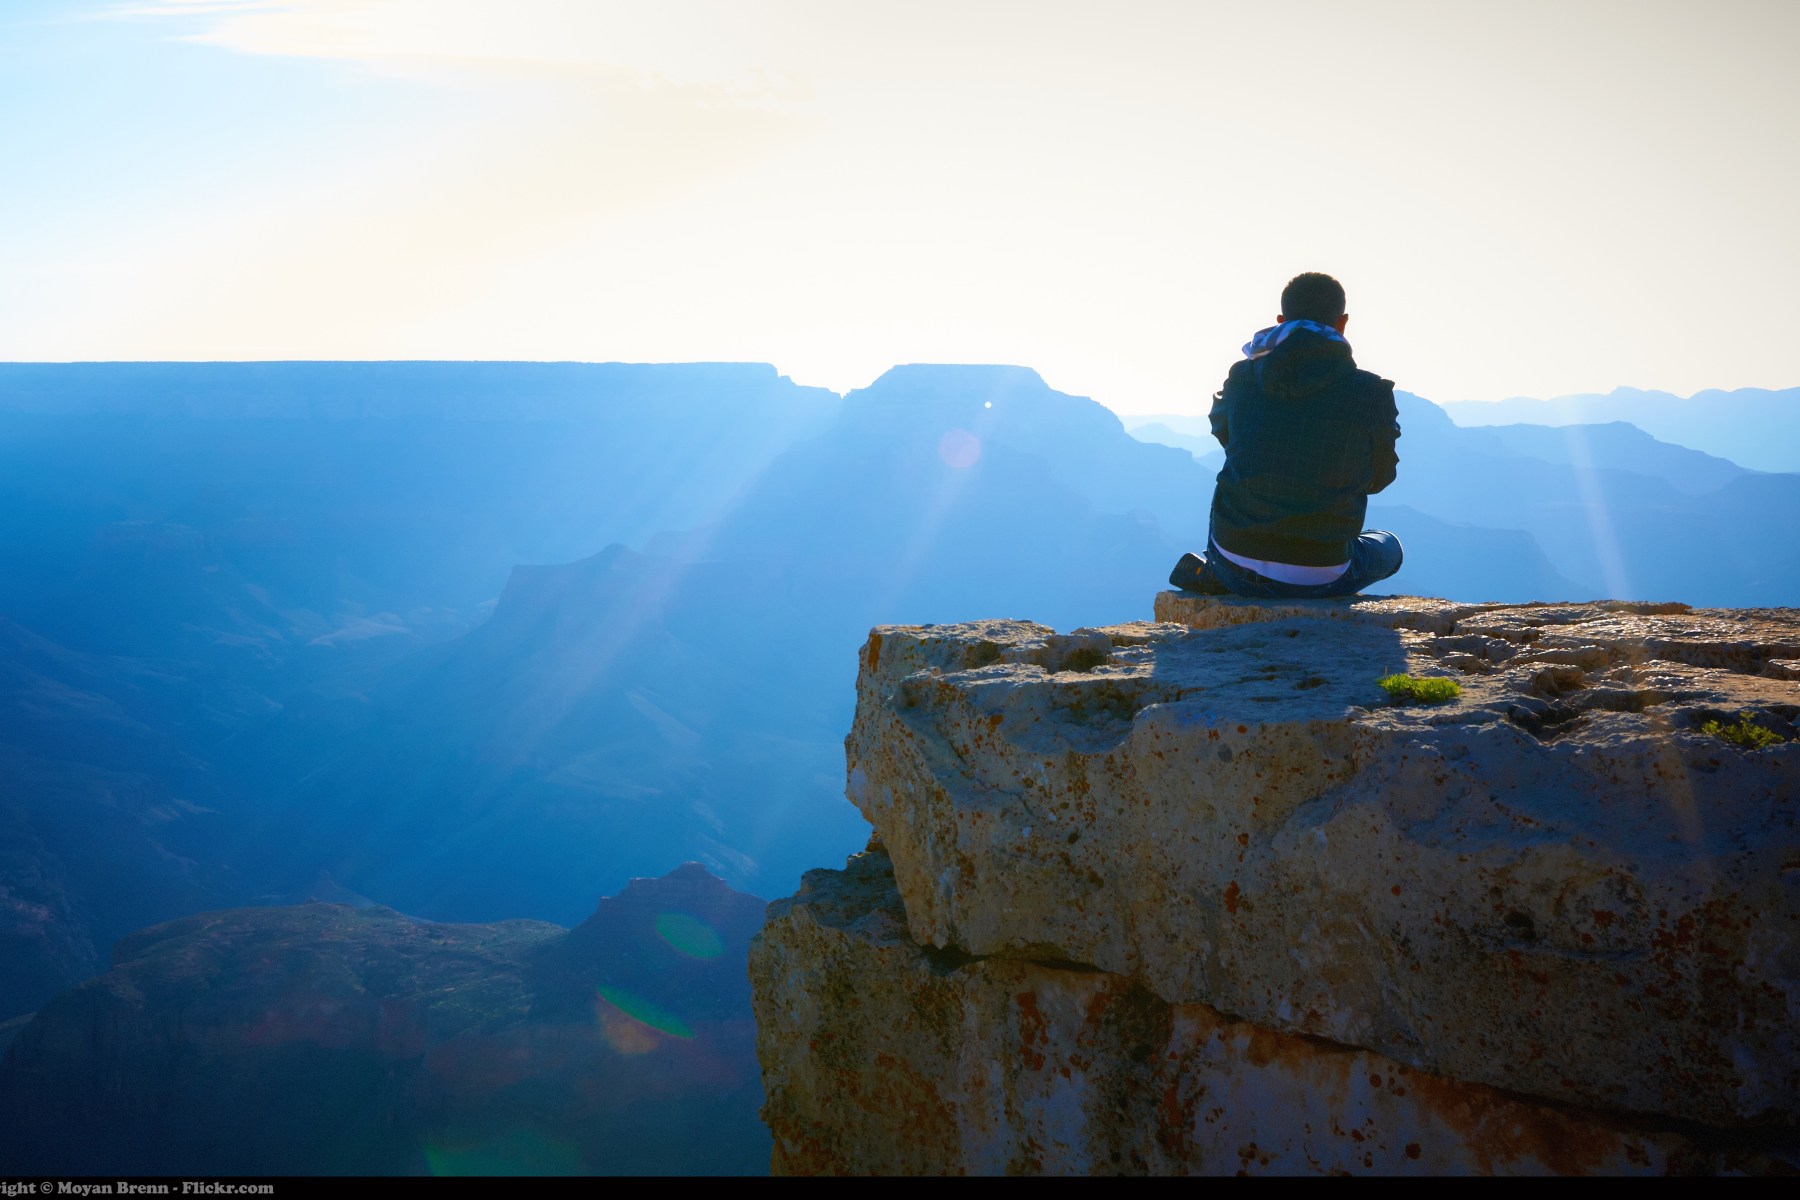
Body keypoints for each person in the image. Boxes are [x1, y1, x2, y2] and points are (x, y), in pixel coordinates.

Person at [1169, 272, 1404, 599]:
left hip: (1234, 555)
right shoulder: (1371, 393)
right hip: (1324, 569)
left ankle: (1219, 569)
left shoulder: (1242, 378)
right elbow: (1378, 479)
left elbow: (1228, 437)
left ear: (1280, 321)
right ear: (1343, 323)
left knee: (1234, 549)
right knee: (1388, 546)